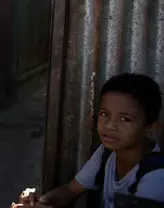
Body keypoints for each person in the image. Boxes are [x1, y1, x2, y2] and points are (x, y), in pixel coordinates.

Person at [13, 73, 164, 208]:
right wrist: (41, 201)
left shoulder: (156, 176)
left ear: (149, 128)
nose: (110, 125)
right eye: (105, 114)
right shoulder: (106, 154)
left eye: (125, 119)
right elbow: (71, 190)